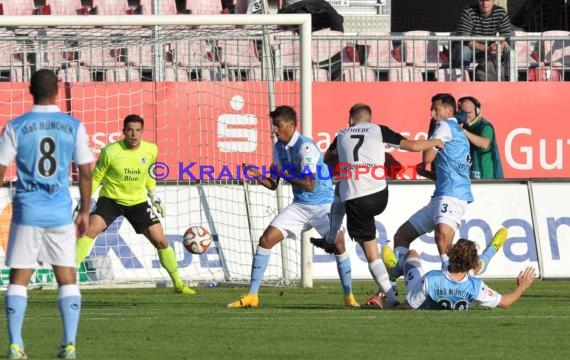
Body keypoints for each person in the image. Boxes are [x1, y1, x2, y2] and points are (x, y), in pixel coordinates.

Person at [0, 69, 93, 359]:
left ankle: (16, 345)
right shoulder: (73, 125)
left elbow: (1, 169)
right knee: (67, 278)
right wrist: (85, 210)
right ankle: (69, 345)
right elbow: (87, 171)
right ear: (57, 89)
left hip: (27, 211)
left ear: (30, 90)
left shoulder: (16, 126)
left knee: (18, 279)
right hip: (60, 213)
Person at [227, 105, 357, 308]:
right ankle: (253, 296)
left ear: (291, 125)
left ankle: (349, 297)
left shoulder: (306, 147)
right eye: (274, 126)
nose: (275, 130)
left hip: (323, 205)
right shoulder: (278, 147)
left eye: (278, 125)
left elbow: (309, 183)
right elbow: (273, 185)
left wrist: (282, 172)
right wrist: (257, 175)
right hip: (300, 206)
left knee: (339, 243)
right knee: (266, 240)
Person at [316, 103, 444, 309]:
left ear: (350, 120)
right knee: (341, 187)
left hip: (357, 199)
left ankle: (391, 299)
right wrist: (434, 141)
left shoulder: (342, 134)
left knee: (371, 254)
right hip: (379, 195)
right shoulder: (378, 129)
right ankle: (332, 237)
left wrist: (342, 155)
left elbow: (328, 159)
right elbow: (411, 146)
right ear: (369, 118)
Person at [384, 94, 503, 289]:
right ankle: (481, 262)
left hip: (453, 195)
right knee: (402, 236)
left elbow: (428, 155)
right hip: (442, 195)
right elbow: (449, 170)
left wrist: (431, 142)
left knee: (442, 238)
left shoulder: (445, 126)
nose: (432, 113)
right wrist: (429, 171)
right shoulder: (455, 130)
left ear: (449, 111)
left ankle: (451, 281)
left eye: (435, 110)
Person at [75, 114, 196, 295]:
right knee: (89, 230)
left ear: (142, 132)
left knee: (161, 241)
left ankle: (178, 283)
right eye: (130, 130)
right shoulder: (110, 151)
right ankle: (69, 277)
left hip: (138, 202)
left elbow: (149, 173)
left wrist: (153, 195)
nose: (134, 134)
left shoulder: (151, 150)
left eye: (138, 130)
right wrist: (84, 203)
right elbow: (97, 177)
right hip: (111, 200)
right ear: (123, 131)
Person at [382, 231, 535, 310]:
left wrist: (390, 306)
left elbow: (408, 306)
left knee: (412, 254)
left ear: (450, 254)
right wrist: (522, 287)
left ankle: (394, 271)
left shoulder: (431, 279)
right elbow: (505, 302)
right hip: (465, 282)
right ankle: (491, 251)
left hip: (423, 293)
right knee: (474, 270)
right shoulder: (475, 286)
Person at [452, 0, 512, 81]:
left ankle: (508, 82)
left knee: (510, 52)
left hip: (488, 50)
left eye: (488, 0)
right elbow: (465, 39)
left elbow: (506, 37)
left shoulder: (501, 12)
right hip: (470, 48)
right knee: (464, 51)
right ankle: (461, 81)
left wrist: (498, 46)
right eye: (481, 0)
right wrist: (487, 49)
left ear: (494, 1)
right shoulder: (468, 11)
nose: (484, 4)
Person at [458, 96, 504, 179]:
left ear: (477, 111)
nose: (466, 116)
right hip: (470, 175)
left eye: (469, 113)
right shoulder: (463, 126)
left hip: (488, 176)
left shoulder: (485, 126)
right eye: (463, 113)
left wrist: (463, 132)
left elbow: (484, 143)